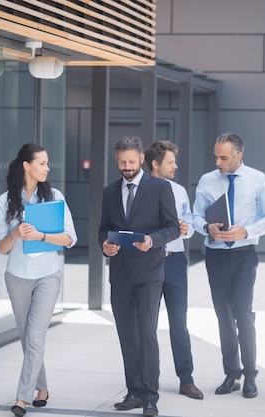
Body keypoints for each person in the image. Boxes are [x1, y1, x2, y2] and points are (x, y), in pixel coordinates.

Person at [98, 136, 180, 417]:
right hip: (120, 274)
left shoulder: (160, 188)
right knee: (127, 335)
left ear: (142, 159)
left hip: (148, 274)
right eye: (122, 162)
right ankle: (133, 391)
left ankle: (150, 396)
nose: (127, 167)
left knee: (146, 334)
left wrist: (152, 240)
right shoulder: (110, 192)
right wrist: (105, 246)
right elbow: (103, 228)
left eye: (132, 162)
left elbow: (172, 228)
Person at [193, 132, 265, 399]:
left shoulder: (258, 178)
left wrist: (247, 231)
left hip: (244, 254)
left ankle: (250, 374)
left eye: (224, 157)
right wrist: (207, 227)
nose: (218, 161)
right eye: (216, 156)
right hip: (216, 255)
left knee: (243, 312)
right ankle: (232, 373)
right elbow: (196, 216)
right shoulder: (207, 180)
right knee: (224, 316)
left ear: (239, 156)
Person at [0, 143, 77, 417]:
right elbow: (1, 248)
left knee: (36, 335)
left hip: (48, 274)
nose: (47, 168)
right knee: (27, 336)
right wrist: (17, 233)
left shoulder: (54, 196)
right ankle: (41, 388)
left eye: (47, 163)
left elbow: (69, 239)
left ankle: (22, 398)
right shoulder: (5, 201)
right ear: (26, 166)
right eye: (41, 163)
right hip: (17, 275)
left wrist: (41, 236)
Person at [144, 140, 203, 400]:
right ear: (156, 164)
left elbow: (189, 222)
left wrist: (185, 228)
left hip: (176, 261)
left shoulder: (179, 191)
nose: (175, 166)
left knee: (179, 323)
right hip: (149, 262)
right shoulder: (141, 191)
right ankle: (147, 382)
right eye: (171, 162)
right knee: (147, 325)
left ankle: (186, 380)